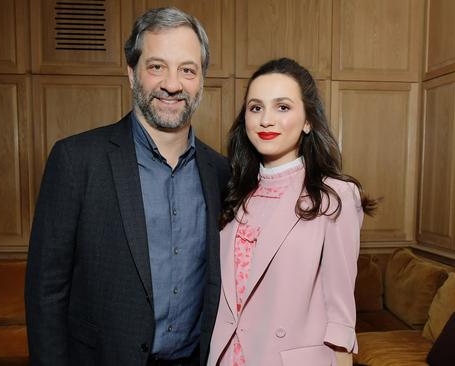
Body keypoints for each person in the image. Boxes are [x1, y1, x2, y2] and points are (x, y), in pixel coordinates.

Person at [25, 7, 229, 366]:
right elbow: (46, 293)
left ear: (202, 79)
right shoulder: (76, 160)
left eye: (187, 69)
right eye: (156, 67)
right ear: (132, 74)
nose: (172, 84)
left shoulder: (221, 172)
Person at [208, 58, 377, 366]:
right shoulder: (232, 191)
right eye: (256, 108)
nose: (266, 120)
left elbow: (340, 316)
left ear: (308, 120)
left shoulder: (334, 196)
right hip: (226, 355)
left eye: (282, 107)